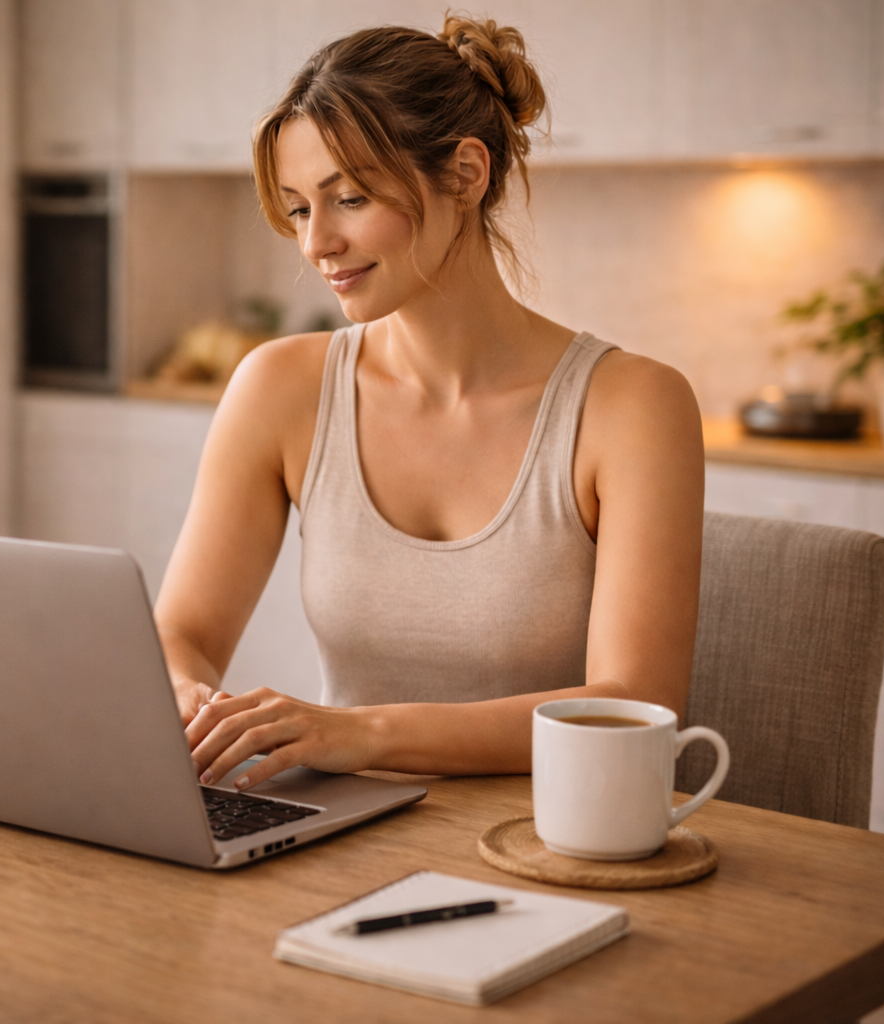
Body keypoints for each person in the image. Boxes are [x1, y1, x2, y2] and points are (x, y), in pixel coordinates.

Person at [153, 13, 705, 792]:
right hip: (343, 828)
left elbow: (635, 701)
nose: (315, 245)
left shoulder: (633, 406)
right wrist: (188, 697)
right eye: (300, 208)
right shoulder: (280, 389)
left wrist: (362, 732)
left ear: (467, 174)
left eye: (347, 199)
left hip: (551, 837)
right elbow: (183, 631)